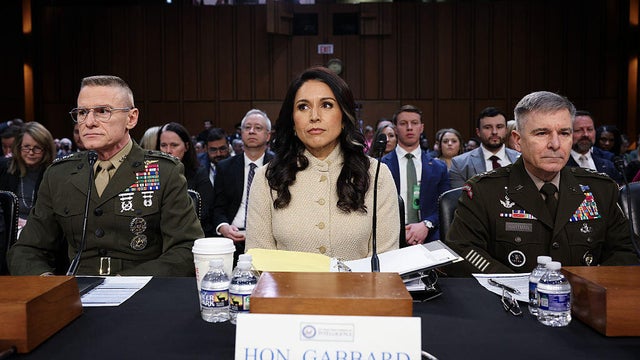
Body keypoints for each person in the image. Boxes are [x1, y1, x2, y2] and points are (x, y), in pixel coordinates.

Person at [8, 75, 203, 276]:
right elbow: (26, 250)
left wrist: (126, 282)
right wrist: (48, 286)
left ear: (131, 118)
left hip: (141, 293)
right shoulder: (59, 175)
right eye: (82, 112)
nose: (89, 122)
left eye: (102, 111)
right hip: (75, 296)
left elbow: (186, 249)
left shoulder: (163, 171)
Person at [445, 91, 638, 275]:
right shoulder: (485, 191)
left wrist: (588, 286)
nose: (555, 144)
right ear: (518, 141)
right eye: (541, 133)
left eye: (564, 133)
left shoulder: (600, 190)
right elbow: (463, 251)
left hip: (584, 302)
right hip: (510, 304)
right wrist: (518, 287)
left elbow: (627, 252)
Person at [246, 67, 399, 260]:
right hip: (286, 291)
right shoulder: (266, 177)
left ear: (344, 117)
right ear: (293, 122)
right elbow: (258, 262)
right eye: (303, 107)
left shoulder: (377, 174)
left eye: (326, 105)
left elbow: (386, 261)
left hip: (360, 290)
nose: (314, 116)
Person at [381, 105, 450, 245]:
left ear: (421, 127)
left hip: (429, 236)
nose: (409, 127)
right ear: (395, 129)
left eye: (414, 123)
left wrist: (426, 224)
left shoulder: (438, 167)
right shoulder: (381, 166)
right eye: (403, 123)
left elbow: (446, 204)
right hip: (390, 238)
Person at [213, 109, 274, 261]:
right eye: (247, 128)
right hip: (232, 236)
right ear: (241, 133)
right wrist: (223, 227)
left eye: (258, 128)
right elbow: (217, 207)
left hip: (269, 238)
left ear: (268, 135)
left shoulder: (280, 167)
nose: (252, 131)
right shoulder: (225, 167)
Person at [157, 122, 215, 237]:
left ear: (186, 147)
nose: (168, 151)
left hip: (192, 236)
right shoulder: (151, 175)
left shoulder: (199, 174)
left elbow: (204, 214)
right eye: (163, 145)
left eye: (174, 145)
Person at [0, 122, 55, 229]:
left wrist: (29, 224)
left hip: (40, 232)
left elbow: (54, 216)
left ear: (46, 149)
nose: (31, 152)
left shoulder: (54, 174)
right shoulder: (4, 168)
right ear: (18, 147)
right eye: (26, 147)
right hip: (8, 230)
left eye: (37, 148)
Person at [449, 107, 520, 188]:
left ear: (506, 130)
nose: (494, 132)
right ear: (478, 132)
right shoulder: (460, 164)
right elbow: (459, 198)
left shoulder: (521, 159)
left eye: (499, 127)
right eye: (487, 127)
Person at [566, 111, 621, 183]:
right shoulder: (560, 165)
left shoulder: (608, 164)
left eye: (589, 129)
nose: (586, 134)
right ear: (567, 133)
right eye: (579, 130)